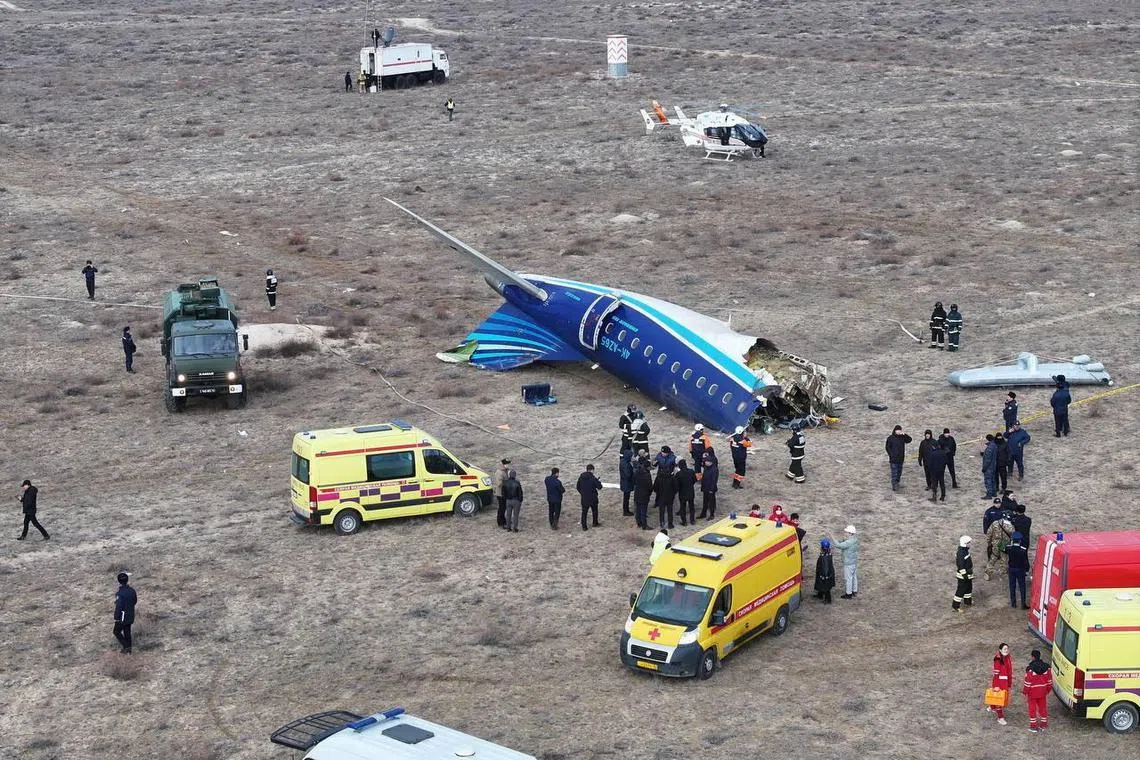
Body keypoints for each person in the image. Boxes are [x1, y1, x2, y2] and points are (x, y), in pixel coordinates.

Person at [1023, 650, 1053, 732]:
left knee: (1032, 709)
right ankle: (1044, 724)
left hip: (1032, 693)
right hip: (1043, 692)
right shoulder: (1047, 667)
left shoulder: (1030, 669)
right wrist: (1047, 690)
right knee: (1043, 708)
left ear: (1032, 657)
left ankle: (1033, 726)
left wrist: (1025, 691)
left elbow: (1027, 683)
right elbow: (1050, 681)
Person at [113, 572, 137, 654]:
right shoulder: (132, 591)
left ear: (119, 582)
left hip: (122, 617)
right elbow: (134, 601)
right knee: (127, 632)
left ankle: (126, 647)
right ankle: (129, 652)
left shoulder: (120, 594)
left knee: (116, 631)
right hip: (131, 614)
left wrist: (116, 617)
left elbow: (119, 606)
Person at [990, 643, 1013, 725]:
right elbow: (996, 674)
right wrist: (996, 685)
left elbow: (1009, 671)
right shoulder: (997, 659)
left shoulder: (1007, 657)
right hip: (999, 683)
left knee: (999, 698)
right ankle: (1000, 718)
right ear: (1000, 650)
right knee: (999, 700)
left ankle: (992, 707)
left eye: (1007, 649)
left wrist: (1009, 683)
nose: (1006, 650)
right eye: (1004, 649)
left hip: (1005, 682)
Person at [1005, 531, 1029, 609]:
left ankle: (1013, 603)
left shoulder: (1008, 548)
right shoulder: (1023, 550)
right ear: (1020, 540)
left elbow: (1001, 546)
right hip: (1020, 570)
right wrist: (1026, 569)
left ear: (1012, 540)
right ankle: (1023, 604)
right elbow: (1025, 561)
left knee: (1012, 586)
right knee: (1022, 587)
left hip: (1011, 569)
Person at [984, 517, 1013, 582]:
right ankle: (1002, 574)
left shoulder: (995, 523)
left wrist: (989, 543)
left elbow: (989, 533)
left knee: (993, 558)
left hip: (995, 544)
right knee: (1004, 559)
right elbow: (1013, 535)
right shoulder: (1010, 526)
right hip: (1005, 545)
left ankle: (987, 573)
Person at [885, 425, 913, 491]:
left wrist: (904, 435)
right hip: (893, 459)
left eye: (900, 430)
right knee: (894, 472)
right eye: (897, 430)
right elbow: (887, 447)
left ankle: (897, 483)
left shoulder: (902, 437)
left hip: (901, 458)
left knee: (899, 472)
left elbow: (909, 440)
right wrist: (891, 455)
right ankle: (894, 485)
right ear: (894, 430)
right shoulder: (890, 438)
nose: (898, 431)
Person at [576, 464, 603, 531]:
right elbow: (599, 487)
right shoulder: (593, 478)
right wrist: (598, 481)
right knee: (594, 511)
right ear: (592, 470)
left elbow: (578, 487)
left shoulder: (581, 477)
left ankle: (584, 526)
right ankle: (595, 523)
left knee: (584, 512)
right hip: (593, 498)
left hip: (584, 498)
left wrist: (582, 493)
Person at [652, 456, 676, 530]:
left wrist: (658, 493)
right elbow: (675, 488)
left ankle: (662, 522)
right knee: (670, 510)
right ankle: (670, 524)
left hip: (661, 496)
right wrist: (673, 494)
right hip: (669, 496)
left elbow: (655, 488)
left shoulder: (658, 478)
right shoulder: (672, 478)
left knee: (661, 510)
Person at [835, 525, 859, 599]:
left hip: (848, 563)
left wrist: (833, 538)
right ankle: (854, 591)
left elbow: (838, 545)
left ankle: (849, 594)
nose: (845, 533)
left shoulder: (848, 542)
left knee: (848, 578)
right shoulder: (855, 540)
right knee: (854, 577)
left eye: (846, 532)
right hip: (853, 561)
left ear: (850, 533)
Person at [953, 535, 974, 612]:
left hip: (968, 574)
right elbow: (961, 566)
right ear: (965, 543)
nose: (970, 544)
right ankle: (956, 606)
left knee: (968, 588)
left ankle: (968, 602)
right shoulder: (961, 553)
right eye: (969, 543)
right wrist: (965, 576)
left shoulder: (965, 550)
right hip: (963, 576)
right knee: (961, 590)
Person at [632, 457, 653, 530]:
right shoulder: (647, 475)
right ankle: (644, 525)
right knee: (643, 510)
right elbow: (650, 486)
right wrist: (649, 493)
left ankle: (639, 522)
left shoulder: (637, 472)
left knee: (638, 509)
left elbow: (634, 481)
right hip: (644, 495)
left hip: (637, 493)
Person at [674, 459, 696, 526]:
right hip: (690, 491)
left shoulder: (678, 474)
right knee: (691, 506)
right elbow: (694, 480)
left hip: (682, 493)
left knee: (683, 508)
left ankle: (684, 522)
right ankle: (692, 520)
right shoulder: (691, 471)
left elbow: (677, 484)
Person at [698, 453, 719, 521]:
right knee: (705, 501)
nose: (706, 462)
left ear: (711, 462)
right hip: (705, 488)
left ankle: (712, 514)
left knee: (711, 502)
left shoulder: (715, 470)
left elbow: (714, 481)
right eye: (705, 461)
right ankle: (703, 514)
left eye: (707, 462)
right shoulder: (706, 468)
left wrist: (711, 489)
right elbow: (704, 478)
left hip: (710, 489)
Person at [814, 538, 835, 603]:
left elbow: (825, 567)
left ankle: (828, 599)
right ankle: (820, 594)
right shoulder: (828, 554)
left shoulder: (825, 557)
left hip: (824, 574)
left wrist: (824, 576)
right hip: (822, 572)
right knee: (820, 584)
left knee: (826, 587)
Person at [493, 459, 510, 528]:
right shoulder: (499, 472)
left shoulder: (505, 471)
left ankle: (503, 520)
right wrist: (506, 482)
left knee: (504, 507)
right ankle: (500, 522)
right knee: (501, 508)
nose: (508, 465)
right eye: (507, 464)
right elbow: (498, 483)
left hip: (504, 493)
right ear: (503, 464)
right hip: (500, 493)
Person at [618, 449, 634, 516]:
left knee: (626, 497)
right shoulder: (626, 464)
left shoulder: (622, 461)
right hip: (627, 483)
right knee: (626, 498)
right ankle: (626, 511)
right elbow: (628, 474)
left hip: (624, 482)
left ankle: (626, 510)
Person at [981, 434, 998, 499]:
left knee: (988, 481)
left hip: (989, 468)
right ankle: (994, 492)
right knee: (993, 480)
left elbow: (987, 460)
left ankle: (989, 494)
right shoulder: (994, 446)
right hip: (993, 466)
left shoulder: (989, 448)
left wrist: (984, 468)